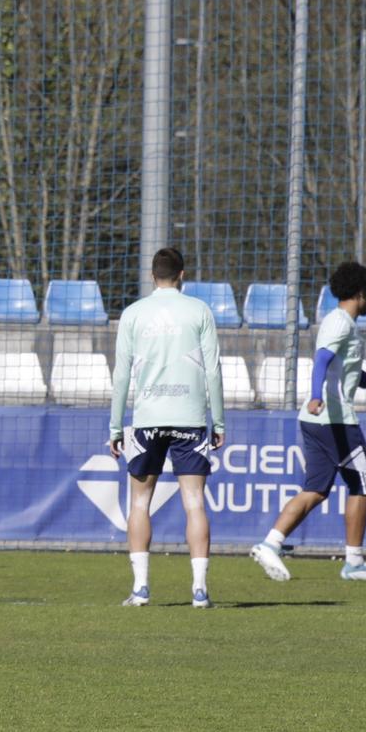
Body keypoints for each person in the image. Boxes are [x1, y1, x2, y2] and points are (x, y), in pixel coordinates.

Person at [250, 262, 366, 584]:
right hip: (334, 421)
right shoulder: (340, 323)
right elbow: (322, 359)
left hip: (319, 420)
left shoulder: (343, 324)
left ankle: (270, 543)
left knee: (315, 490)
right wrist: (316, 396)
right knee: (362, 486)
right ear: (361, 292)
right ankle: (354, 562)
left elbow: (351, 379)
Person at [108, 247, 226, 608]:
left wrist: (115, 426)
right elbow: (213, 370)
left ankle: (141, 588)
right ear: (182, 274)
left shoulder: (133, 314)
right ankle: (199, 590)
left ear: (152, 275)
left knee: (140, 502)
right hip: (190, 418)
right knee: (194, 502)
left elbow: (122, 375)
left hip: (147, 419)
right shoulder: (199, 310)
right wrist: (218, 421)